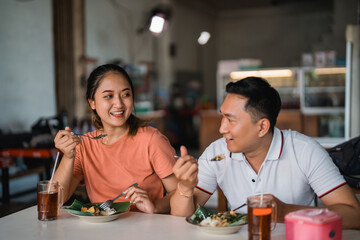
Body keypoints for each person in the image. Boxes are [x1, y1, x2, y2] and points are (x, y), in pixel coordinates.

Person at [170, 77, 360, 229]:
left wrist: (285, 211)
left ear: (262, 127)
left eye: (231, 120)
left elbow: (354, 214)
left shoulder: (305, 151)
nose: (222, 129)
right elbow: (180, 219)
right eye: (222, 117)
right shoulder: (217, 152)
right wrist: (184, 188)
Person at [53, 64, 177, 214]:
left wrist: (155, 206)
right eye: (108, 96)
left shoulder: (151, 139)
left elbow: (181, 194)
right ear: (92, 102)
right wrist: (68, 156)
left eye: (126, 95)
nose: (119, 104)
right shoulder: (84, 145)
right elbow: (56, 200)